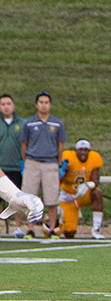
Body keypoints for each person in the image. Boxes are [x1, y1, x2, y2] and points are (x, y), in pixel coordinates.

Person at [19, 92, 67, 238]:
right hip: (33, 162)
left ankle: (52, 229)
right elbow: (24, 145)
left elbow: (60, 145)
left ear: (50, 105)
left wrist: (58, 164)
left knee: (51, 199)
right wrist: (26, 162)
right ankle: (31, 228)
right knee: (30, 197)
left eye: (46, 102)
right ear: (36, 104)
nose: (43, 105)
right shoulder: (29, 123)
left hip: (50, 163)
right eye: (41, 102)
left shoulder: (57, 123)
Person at [58, 139, 104, 239]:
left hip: (84, 195)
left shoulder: (94, 158)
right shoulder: (68, 158)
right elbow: (58, 180)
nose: (83, 152)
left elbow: (96, 181)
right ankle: (59, 221)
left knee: (98, 193)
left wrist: (88, 185)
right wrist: (61, 172)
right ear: (76, 151)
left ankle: (96, 229)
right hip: (68, 196)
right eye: (80, 150)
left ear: (89, 151)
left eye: (85, 150)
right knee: (69, 234)